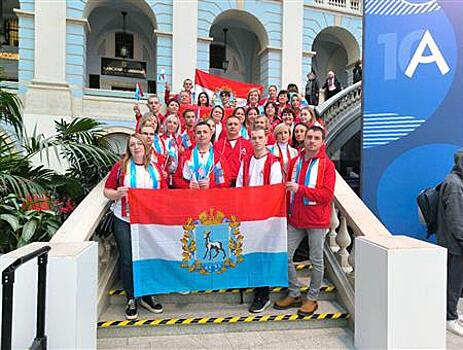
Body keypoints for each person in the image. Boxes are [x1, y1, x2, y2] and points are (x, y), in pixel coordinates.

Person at [104, 134, 167, 320]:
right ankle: (131, 297)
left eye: (139, 143)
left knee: (147, 257)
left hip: (147, 222)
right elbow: (107, 191)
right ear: (128, 148)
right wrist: (117, 193)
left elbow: (163, 195)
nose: (136, 147)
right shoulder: (120, 167)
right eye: (132, 144)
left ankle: (147, 295)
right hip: (124, 218)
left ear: (146, 146)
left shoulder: (155, 169)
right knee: (128, 259)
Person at [274, 125, 335, 316]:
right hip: (295, 217)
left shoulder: (327, 165)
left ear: (322, 142)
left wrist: (300, 189)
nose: (312, 141)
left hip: (316, 220)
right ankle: (294, 292)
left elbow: (327, 195)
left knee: (317, 261)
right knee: (284, 256)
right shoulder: (294, 161)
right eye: (309, 137)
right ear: (303, 139)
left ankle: (312, 297)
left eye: (316, 138)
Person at [236, 126, 283, 313]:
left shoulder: (273, 162)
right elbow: (240, 186)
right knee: (250, 253)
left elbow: (275, 192)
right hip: (248, 216)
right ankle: (251, 284)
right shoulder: (246, 161)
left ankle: (262, 295)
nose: (256, 141)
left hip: (265, 217)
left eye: (260, 137)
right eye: (253, 137)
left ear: (266, 139)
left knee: (262, 255)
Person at [437, 148, 463, 336]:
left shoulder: (455, 181)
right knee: (453, 283)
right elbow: (455, 220)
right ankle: (449, 318)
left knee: (453, 282)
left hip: (453, 242)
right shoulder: (454, 185)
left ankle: (450, 313)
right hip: (455, 244)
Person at [173, 121, 230, 189]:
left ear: (210, 135)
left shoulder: (218, 157)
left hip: (212, 196)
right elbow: (176, 179)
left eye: (205, 132)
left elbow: (226, 180)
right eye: (199, 132)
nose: (202, 135)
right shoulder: (185, 156)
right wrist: (188, 186)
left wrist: (211, 185)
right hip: (190, 196)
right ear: (194, 136)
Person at [214, 115, 253, 186]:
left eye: (235, 124)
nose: (233, 126)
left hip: (241, 182)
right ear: (225, 127)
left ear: (240, 127)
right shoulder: (218, 144)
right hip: (223, 183)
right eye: (230, 124)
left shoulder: (248, 144)